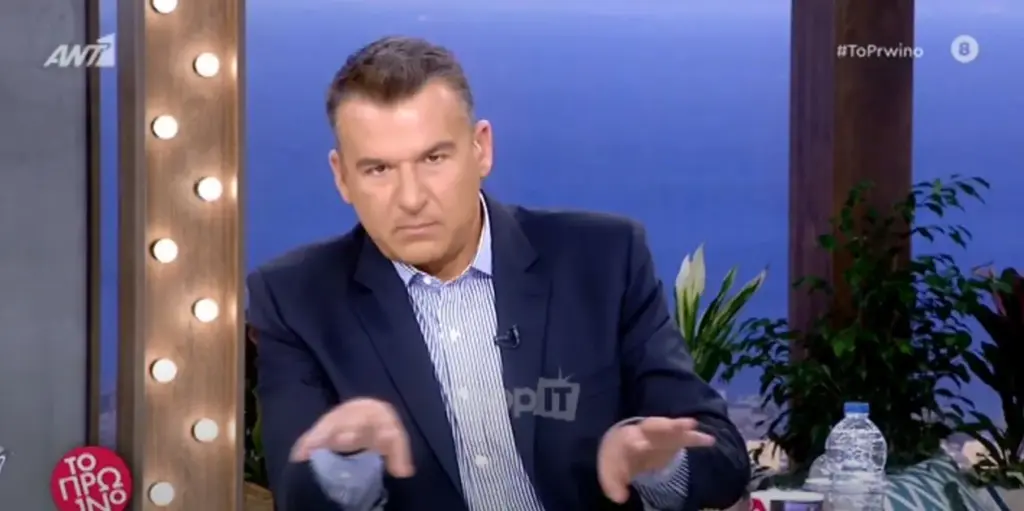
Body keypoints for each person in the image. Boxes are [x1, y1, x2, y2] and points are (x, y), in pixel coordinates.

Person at [246, 36, 749, 511]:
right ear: (341, 177)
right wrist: (346, 465)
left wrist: (657, 463)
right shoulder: (295, 298)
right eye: (378, 169)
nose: (411, 198)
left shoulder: (604, 261)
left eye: (434, 158)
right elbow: (298, 496)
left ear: (481, 149)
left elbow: (724, 458)